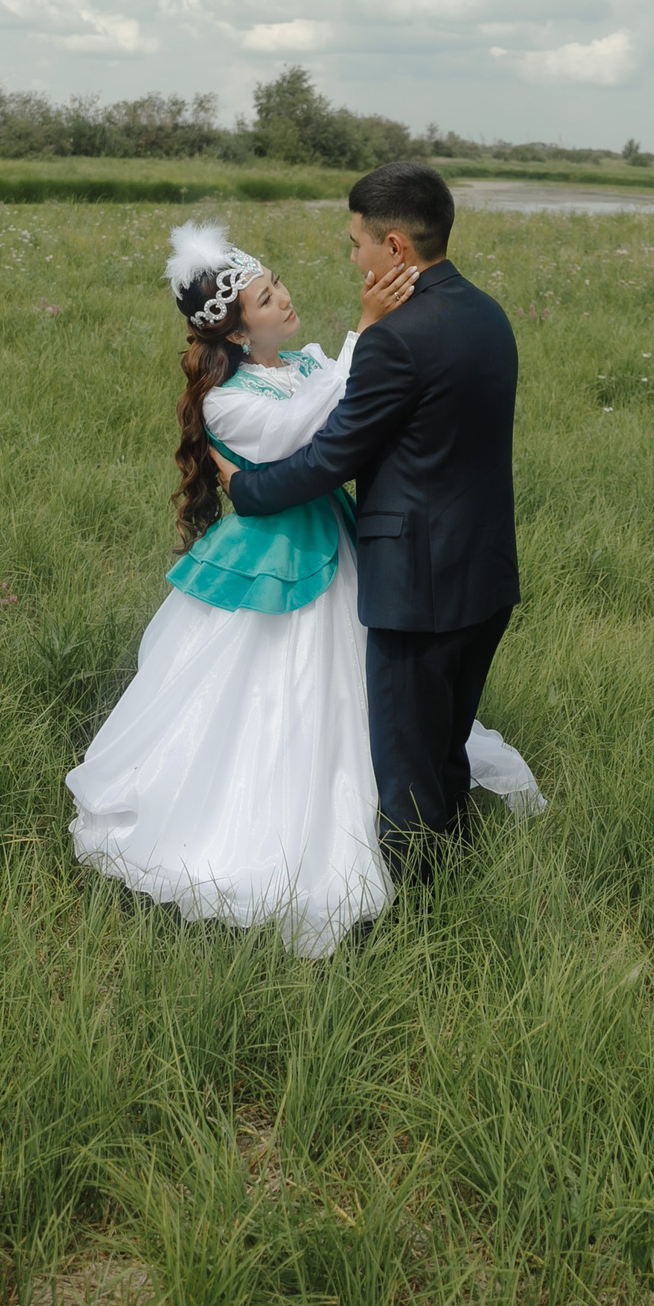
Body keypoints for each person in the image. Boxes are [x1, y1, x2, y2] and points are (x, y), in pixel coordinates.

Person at [65, 217, 542, 957]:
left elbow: (347, 416)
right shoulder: (231, 401)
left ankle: (404, 807)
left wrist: (362, 341)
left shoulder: (310, 361)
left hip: (337, 538)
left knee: (368, 687)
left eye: (278, 283)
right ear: (232, 330)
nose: (284, 300)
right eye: (263, 298)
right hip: (275, 559)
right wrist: (366, 329)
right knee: (272, 692)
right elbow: (311, 432)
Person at [218, 163, 520, 886]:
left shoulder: (396, 340)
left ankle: (421, 919)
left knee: (407, 763)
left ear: (394, 246)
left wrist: (250, 488)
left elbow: (331, 457)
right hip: (486, 573)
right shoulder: (487, 313)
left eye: (356, 243)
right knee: (445, 745)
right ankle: (459, 865)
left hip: (417, 585)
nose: (351, 258)